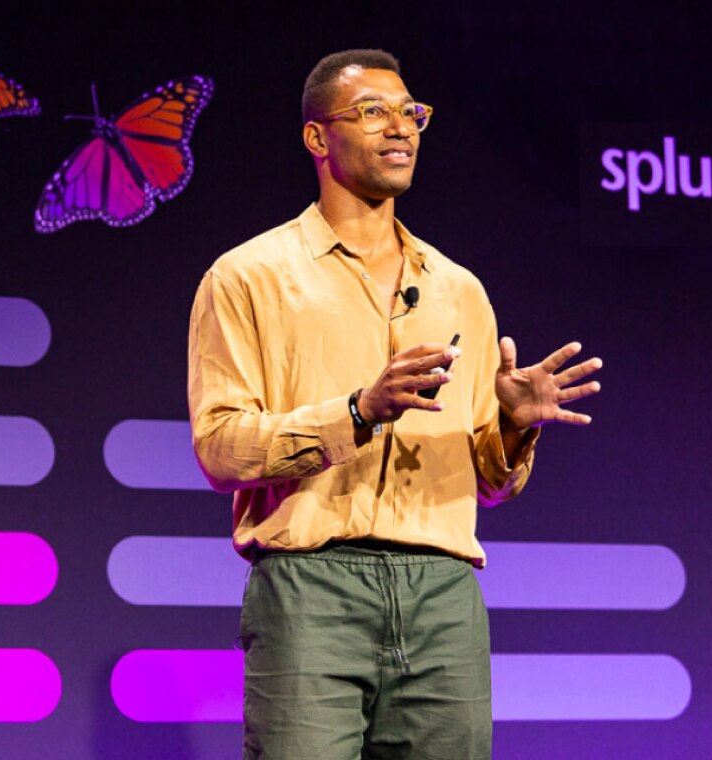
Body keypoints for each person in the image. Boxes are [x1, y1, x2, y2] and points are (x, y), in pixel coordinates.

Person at [188, 49, 601, 760]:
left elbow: (490, 485)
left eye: (411, 113)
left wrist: (510, 425)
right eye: (373, 112)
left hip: (442, 592)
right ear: (319, 138)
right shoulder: (248, 277)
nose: (401, 128)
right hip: (311, 586)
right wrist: (355, 413)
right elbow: (221, 450)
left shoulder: (458, 289)